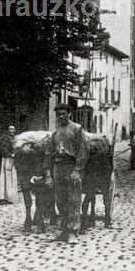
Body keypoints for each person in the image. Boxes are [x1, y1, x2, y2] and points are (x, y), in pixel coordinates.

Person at [44, 103, 89, 245]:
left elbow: (83, 151)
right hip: (58, 167)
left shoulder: (76, 129)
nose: (61, 116)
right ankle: (64, 230)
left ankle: (72, 232)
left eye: (64, 113)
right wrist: (47, 174)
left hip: (71, 166)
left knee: (73, 199)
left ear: (69, 114)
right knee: (60, 200)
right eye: (59, 114)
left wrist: (77, 170)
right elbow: (48, 153)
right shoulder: (55, 133)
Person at [0, 124, 19, 204]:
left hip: (11, 160)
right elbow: (3, 149)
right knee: (5, 179)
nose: (12, 131)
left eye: (13, 129)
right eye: (11, 129)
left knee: (10, 179)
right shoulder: (5, 138)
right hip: (6, 160)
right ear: (8, 130)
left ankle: (9, 197)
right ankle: (3, 198)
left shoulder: (14, 138)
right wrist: (11, 154)